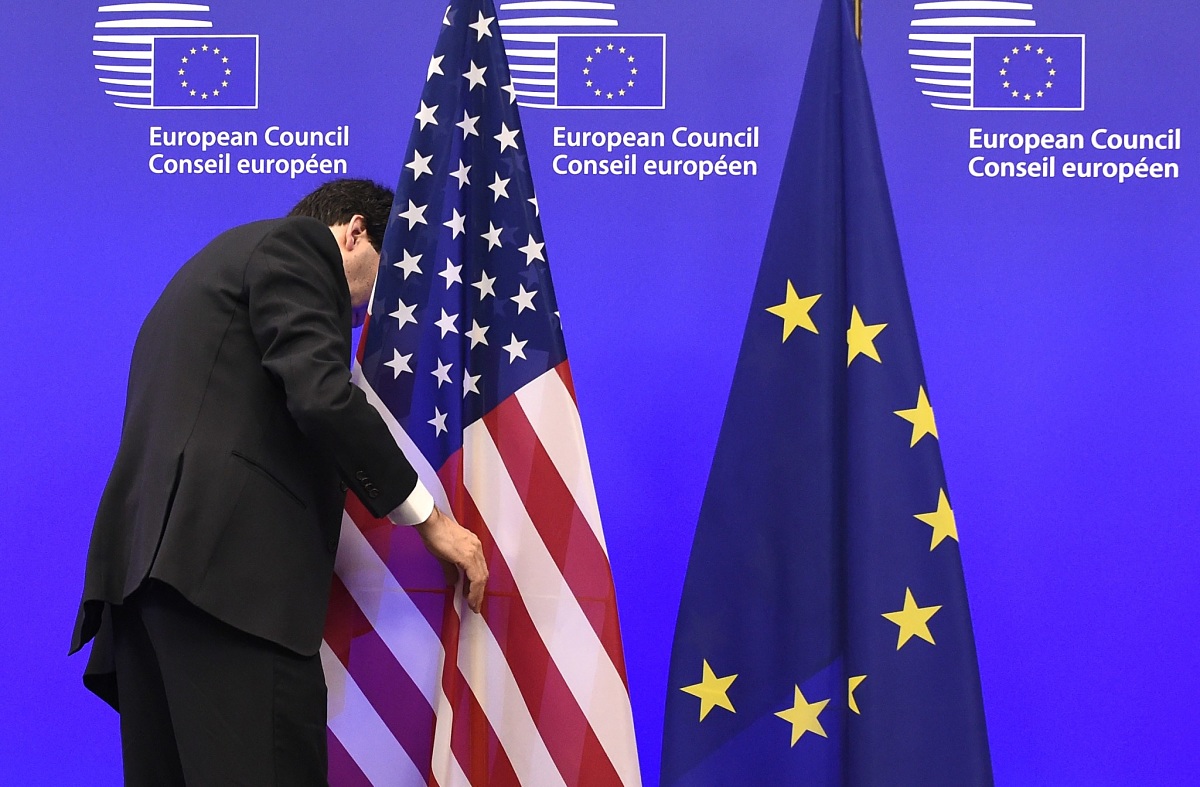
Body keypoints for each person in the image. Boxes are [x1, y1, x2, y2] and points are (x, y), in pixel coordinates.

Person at [69, 179, 488, 785]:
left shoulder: (199, 280)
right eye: (383, 277)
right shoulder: (295, 248)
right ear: (354, 233)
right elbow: (322, 397)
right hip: (229, 585)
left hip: (145, 589)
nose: (368, 309)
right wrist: (429, 517)